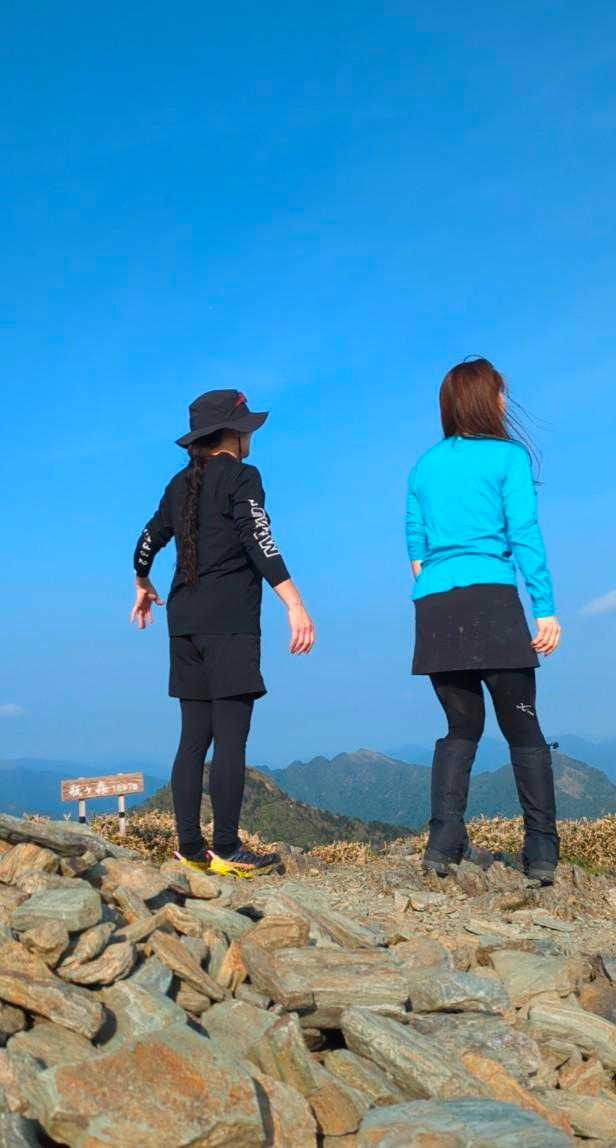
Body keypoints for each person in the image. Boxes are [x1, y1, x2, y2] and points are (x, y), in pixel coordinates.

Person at [131, 389, 315, 877]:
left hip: (184, 623)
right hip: (230, 622)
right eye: (246, 427)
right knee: (231, 739)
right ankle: (228, 848)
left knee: (193, 738)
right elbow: (259, 537)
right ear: (232, 433)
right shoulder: (242, 477)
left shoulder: (179, 484)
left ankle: (191, 850)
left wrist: (142, 582)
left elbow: (147, 540)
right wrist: (294, 603)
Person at [406, 358, 562, 885]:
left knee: (460, 728)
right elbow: (525, 533)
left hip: (435, 605)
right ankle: (540, 851)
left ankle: (443, 843)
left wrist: (435, 576)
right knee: (523, 726)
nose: (504, 401)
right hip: (491, 600)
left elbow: (414, 537)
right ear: (486, 399)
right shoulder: (508, 456)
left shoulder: (424, 465)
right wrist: (545, 608)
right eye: (500, 392)